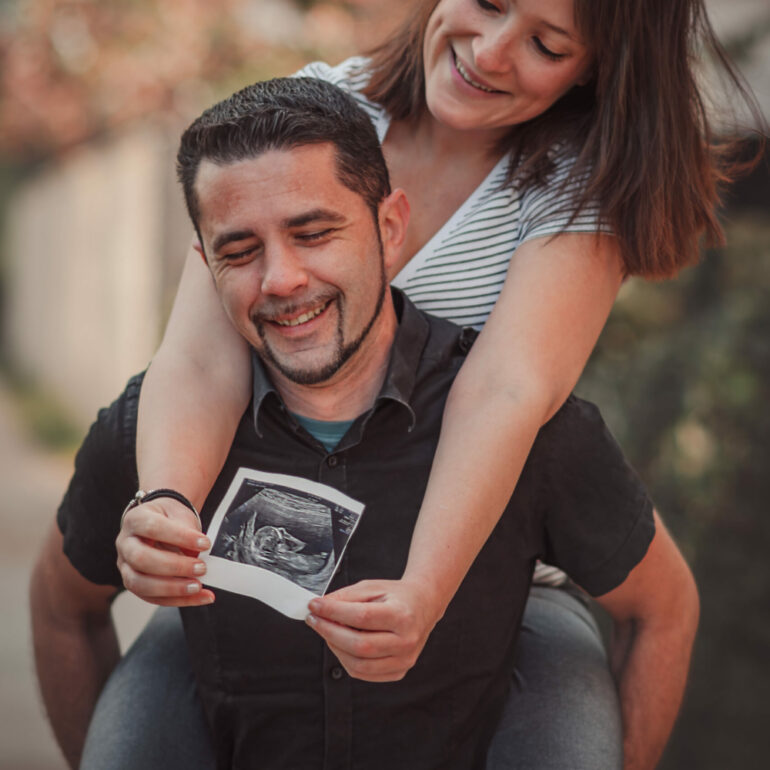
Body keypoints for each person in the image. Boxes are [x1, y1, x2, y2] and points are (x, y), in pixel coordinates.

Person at [30, 76, 699, 770]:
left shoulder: (526, 429)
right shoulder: (156, 435)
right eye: (239, 251)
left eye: (313, 233)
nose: (281, 278)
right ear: (205, 265)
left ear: (389, 228)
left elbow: (663, 609)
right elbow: (59, 607)